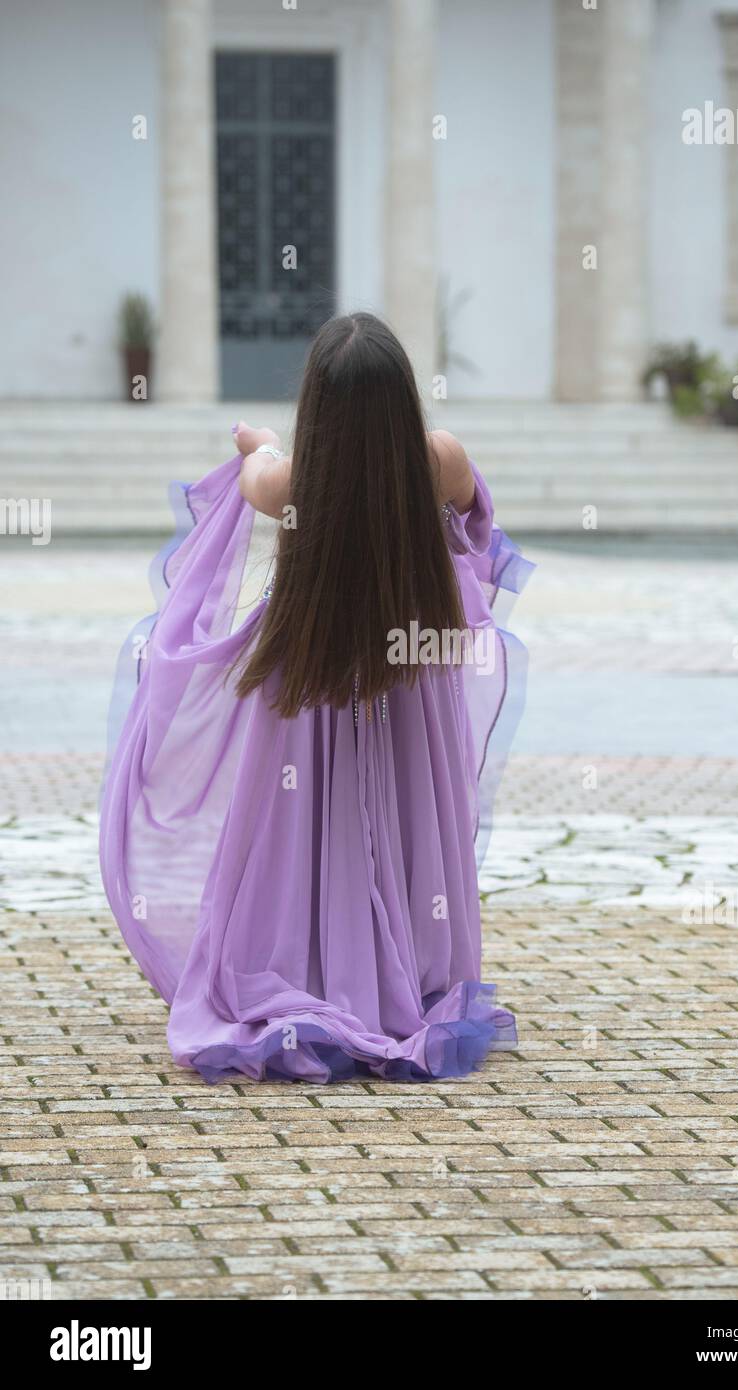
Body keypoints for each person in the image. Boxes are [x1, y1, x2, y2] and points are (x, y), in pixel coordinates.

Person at [100, 312, 532, 1083]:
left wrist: (259, 441)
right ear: (401, 396)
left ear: (318, 404)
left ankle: (310, 968)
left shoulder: (287, 480)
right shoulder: (439, 458)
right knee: (407, 814)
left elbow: (257, 469)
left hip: (309, 681)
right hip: (410, 679)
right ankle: (411, 974)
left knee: (303, 827)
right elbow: (475, 524)